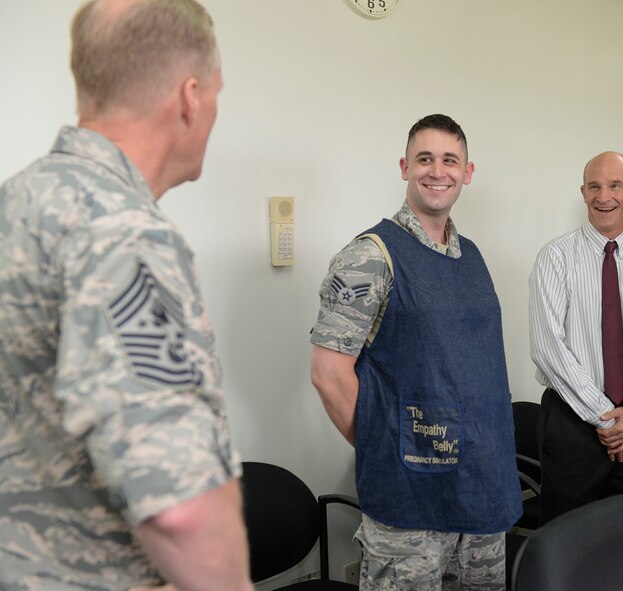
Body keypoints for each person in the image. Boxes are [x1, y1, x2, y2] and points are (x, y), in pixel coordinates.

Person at [0, 1, 251, 590]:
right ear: (190, 97)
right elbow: (180, 504)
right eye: (216, 92)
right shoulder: (123, 234)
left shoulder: (16, 204)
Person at [310, 114, 522, 590]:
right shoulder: (371, 255)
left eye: (450, 160)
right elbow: (328, 373)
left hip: (482, 485)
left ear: (467, 173)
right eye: (424, 159)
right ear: (405, 167)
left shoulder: (471, 256)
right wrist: (390, 448)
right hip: (411, 500)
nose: (437, 171)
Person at [529, 151, 623, 523]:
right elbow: (549, 348)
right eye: (594, 186)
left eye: (615, 185)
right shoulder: (556, 257)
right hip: (573, 422)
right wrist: (606, 419)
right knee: (569, 537)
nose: (603, 196)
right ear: (583, 192)